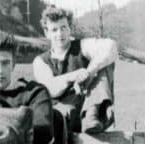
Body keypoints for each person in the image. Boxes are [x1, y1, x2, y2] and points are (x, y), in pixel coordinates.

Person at [33, 6, 118, 134]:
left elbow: (111, 46)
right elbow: (51, 88)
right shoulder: (40, 61)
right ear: (47, 33)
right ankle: (85, 119)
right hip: (64, 113)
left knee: (104, 65)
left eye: (63, 28)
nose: (60, 34)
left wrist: (89, 72)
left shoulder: (82, 46)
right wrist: (74, 76)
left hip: (90, 111)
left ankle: (92, 114)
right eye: (54, 30)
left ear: (70, 29)